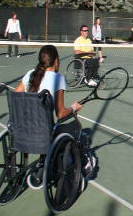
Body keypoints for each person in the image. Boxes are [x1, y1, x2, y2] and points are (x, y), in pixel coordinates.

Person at [14, 45, 95, 179]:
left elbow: (16, 96)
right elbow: (61, 113)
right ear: (56, 61)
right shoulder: (58, 78)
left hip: (22, 130)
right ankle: (80, 162)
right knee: (76, 127)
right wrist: (74, 108)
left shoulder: (30, 74)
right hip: (44, 133)